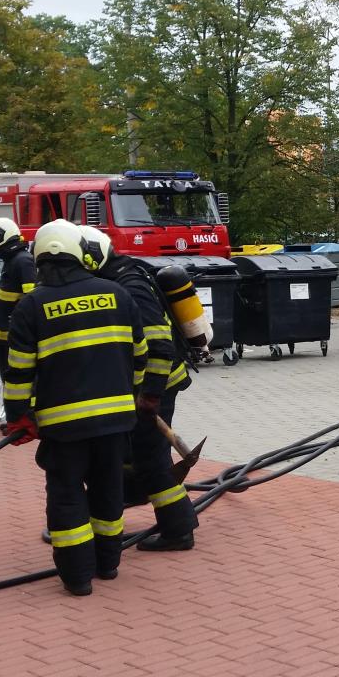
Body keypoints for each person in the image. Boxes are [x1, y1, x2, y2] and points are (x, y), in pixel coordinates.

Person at [3, 219, 146, 597]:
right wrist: (128, 398)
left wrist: (18, 417)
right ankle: (108, 565)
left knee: (67, 496)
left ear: (38, 260)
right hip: (116, 422)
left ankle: (77, 577)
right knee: (108, 490)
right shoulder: (117, 294)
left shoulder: (31, 306)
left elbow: (18, 373)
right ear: (80, 255)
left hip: (63, 427)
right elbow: (140, 357)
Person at [81, 225, 198, 552]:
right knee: (139, 455)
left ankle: (179, 529)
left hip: (156, 384)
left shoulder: (130, 285)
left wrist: (150, 397)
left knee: (149, 456)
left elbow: (160, 345)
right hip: (143, 386)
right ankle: (120, 518)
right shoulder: (119, 277)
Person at [0, 217, 36, 376]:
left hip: (14, 337)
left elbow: (30, 299)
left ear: (1, 238)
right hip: (3, 335)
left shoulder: (23, 261)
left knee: (16, 381)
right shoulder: (12, 260)